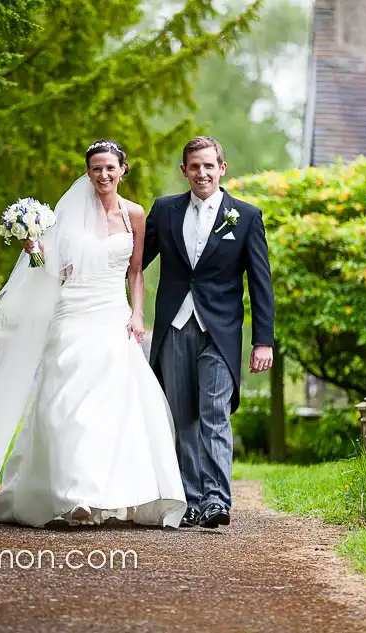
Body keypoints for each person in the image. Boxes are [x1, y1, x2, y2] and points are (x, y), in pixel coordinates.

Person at [0, 140, 187, 528]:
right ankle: (71, 496)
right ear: (88, 172)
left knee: (110, 408)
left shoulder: (136, 215)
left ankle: (98, 495)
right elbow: (49, 270)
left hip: (112, 315)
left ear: (123, 170)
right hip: (72, 313)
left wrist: (138, 314)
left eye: (110, 168)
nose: (104, 175)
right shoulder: (65, 216)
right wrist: (34, 248)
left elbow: (136, 271)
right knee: (64, 404)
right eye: (96, 169)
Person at [142, 136, 275, 529]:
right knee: (183, 418)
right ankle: (193, 500)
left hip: (220, 331)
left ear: (222, 167)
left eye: (209, 166)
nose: (202, 173)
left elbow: (261, 283)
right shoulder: (165, 211)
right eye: (194, 166)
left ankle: (218, 499)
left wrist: (262, 340)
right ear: (184, 170)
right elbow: (134, 260)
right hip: (175, 326)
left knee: (214, 413)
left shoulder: (246, 217)